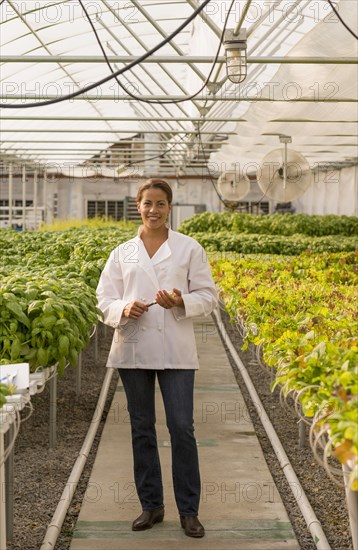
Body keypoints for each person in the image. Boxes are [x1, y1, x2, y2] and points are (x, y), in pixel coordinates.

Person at [96, 178, 218, 538]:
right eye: (147, 203)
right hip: (133, 347)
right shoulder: (123, 252)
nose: (153, 210)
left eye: (160, 204)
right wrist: (124, 307)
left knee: (182, 427)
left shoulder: (188, 248)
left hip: (176, 350)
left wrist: (181, 301)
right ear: (138, 205)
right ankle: (151, 505)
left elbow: (209, 296)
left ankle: (189, 510)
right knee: (141, 428)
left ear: (169, 207)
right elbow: (103, 299)